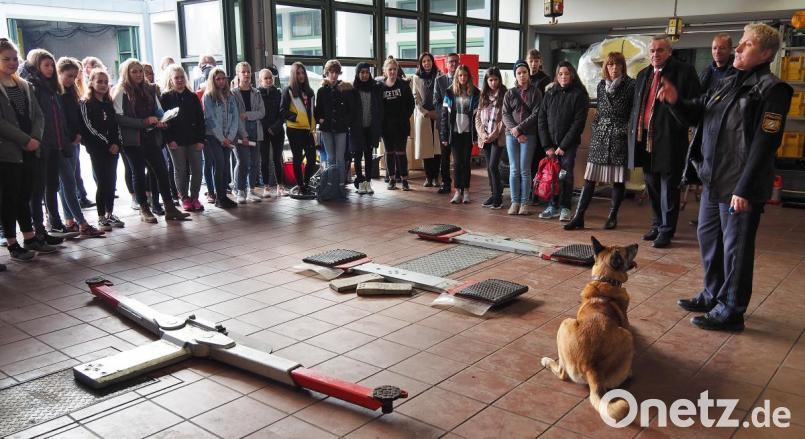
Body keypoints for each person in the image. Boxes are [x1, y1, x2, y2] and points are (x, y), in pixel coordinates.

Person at [662, 24, 793, 331]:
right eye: (741, 43)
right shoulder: (727, 82)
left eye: (746, 45)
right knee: (709, 239)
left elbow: (765, 144)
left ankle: (731, 310)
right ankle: (712, 295)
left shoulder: (772, 91)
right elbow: (697, 112)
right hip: (714, 181)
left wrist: (745, 188)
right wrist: (675, 101)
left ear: (765, 53)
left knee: (736, 249)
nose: (738, 48)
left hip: (740, 186)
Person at [628, 35, 701, 248]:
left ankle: (667, 230)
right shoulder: (643, 75)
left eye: (660, 50)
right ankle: (657, 224)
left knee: (669, 187)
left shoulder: (684, 72)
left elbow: (693, 106)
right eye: (652, 51)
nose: (655, 54)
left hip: (670, 139)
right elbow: (636, 108)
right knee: (651, 185)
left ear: (669, 52)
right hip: (645, 140)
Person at [114, 58, 190, 223]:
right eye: (134, 71)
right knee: (139, 174)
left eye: (140, 71)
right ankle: (144, 208)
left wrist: (162, 119)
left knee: (161, 172)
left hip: (151, 137)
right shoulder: (121, 91)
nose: (139, 74)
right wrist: (143, 122)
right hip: (133, 140)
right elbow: (119, 118)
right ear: (127, 73)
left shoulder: (150, 89)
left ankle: (170, 207)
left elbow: (158, 109)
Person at [565, 52, 635, 230]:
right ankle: (579, 216)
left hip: (619, 136)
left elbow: (633, 112)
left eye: (617, 65)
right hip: (601, 137)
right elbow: (599, 111)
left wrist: (625, 130)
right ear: (606, 67)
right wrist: (596, 126)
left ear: (622, 67)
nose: (614, 68)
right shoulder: (601, 86)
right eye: (610, 65)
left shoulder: (631, 85)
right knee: (590, 178)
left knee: (618, 180)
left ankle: (613, 216)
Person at [20, 49, 79, 243]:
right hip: (40, 144)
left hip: (55, 144)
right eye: (46, 65)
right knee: (38, 189)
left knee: (52, 185)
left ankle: (54, 222)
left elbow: (58, 118)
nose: (51, 68)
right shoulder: (32, 86)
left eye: (52, 65)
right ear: (36, 65)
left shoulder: (51, 88)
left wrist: (63, 141)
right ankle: (39, 229)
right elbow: (36, 118)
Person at [0, 37, 46, 260]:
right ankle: (12, 242)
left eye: (14, 58)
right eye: (6, 59)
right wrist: (24, 140)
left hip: (30, 148)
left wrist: (34, 138)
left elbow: (38, 115)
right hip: (8, 152)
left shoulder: (24, 85)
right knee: (9, 197)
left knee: (25, 195)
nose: (11, 62)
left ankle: (30, 237)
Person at [55, 57, 105, 237]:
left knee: (69, 181)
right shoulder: (56, 93)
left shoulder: (72, 91)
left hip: (73, 142)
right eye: (69, 76)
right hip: (62, 143)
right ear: (59, 73)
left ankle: (70, 220)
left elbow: (75, 117)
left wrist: (78, 135)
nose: (72, 80)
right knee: (68, 182)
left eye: (75, 76)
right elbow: (60, 120)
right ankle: (81, 222)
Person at [538, 61, 590, 222]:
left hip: (568, 145)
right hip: (551, 146)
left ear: (572, 75)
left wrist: (563, 146)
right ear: (556, 75)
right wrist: (547, 146)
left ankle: (565, 207)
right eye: (560, 74)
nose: (563, 77)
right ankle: (552, 206)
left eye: (566, 73)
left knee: (565, 176)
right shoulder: (550, 93)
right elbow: (542, 119)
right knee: (552, 176)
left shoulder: (579, 95)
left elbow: (578, 124)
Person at [80, 68, 125, 231]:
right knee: (102, 181)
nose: (103, 85)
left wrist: (117, 144)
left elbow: (115, 126)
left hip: (113, 149)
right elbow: (89, 127)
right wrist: (107, 144)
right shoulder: (86, 103)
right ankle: (100, 216)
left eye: (106, 82)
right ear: (91, 82)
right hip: (98, 149)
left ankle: (110, 213)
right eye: (99, 81)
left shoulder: (108, 104)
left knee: (111, 180)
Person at [160, 64, 206, 211]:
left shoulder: (192, 96)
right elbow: (163, 121)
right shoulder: (165, 97)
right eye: (176, 78)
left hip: (194, 139)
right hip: (175, 141)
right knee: (180, 170)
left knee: (198, 169)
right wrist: (169, 139)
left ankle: (195, 197)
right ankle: (184, 198)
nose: (179, 80)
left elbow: (200, 119)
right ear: (171, 80)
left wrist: (201, 139)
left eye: (181, 77)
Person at [502, 60, 541, 215]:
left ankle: (525, 202)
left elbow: (537, 113)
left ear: (528, 73)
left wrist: (520, 128)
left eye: (524, 72)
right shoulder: (510, 93)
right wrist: (514, 130)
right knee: (514, 169)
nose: (522, 75)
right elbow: (504, 114)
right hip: (511, 135)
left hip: (529, 135)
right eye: (519, 73)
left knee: (525, 170)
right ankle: (515, 201)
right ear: (515, 75)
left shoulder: (536, 92)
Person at [440, 64, 480, 204]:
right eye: (460, 75)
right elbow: (444, 116)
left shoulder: (475, 92)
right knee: (457, 163)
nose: (463, 78)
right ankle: (457, 191)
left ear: (469, 77)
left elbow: (478, 116)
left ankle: (467, 191)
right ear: (457, 77)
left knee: (466, 163)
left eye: (465, 75)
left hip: (468, 133)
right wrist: (444, 135)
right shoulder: (449, 92)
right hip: (455, 133)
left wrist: (477, 135)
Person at [202, 67, 239, 209]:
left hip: (228, 137)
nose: (222, 81)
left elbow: (235, 117)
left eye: (223, 78)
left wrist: (229, 136)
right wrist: (221, 138)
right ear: (213, 80)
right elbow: (210, 119)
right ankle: (219, 197)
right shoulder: (209, 96)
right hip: (213, 137)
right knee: (219, 165)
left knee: (225, 168)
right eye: (218, 79)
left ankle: (224, 196)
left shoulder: (230, 96)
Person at [280, 62, 317, 195]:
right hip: (294, 130)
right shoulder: (288, 90)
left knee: (312, 159)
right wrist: (296, 118)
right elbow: (282, 110)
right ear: (294, 75)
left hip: (308, 130)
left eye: (303, 73)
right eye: (298, 73)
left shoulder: (310, 91)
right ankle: (301, 186)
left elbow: (312, 111)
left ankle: (306, 183)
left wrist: (315, 122)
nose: (301, 75)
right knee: (297, 158)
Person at [231, 61, 265, 203]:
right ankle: (240, 190)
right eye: (243, 72)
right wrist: (243, 119)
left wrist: (247, 115)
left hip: (255, 131)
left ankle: (251, 190)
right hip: (239, 132)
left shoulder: (256, 92)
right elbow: (235, 115)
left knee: (255, 162)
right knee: (243, 161)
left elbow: (262, 112)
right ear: (238, 74)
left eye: (248, 72)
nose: (246, 74)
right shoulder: (233, 94)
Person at [315, 59, 353, 185]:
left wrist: (345, 122)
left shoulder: (344, 90)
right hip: (326, 128)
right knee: (330, 157)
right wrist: (320, 119)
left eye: (336, 72)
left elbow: (349, 109)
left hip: (341, 128)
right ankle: (331, 183)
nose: (333, 75)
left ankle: (341, 183)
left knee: (340, 158)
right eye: (331, 72)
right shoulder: (321, 91)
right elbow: (317, 109)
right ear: (326, 73)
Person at [379, 56, 414, 191]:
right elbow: (378, 106)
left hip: (401, 125)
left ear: (397, 70)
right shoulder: (380, 87)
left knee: (401, 153)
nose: (392, 72)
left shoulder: (404, 85)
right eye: (390, 70)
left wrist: (404, 117)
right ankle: (392, 179)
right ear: (385, 71)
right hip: (386, 126)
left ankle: (404, 180)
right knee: (389, 153)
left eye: (394, 69)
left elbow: (411, 104)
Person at [475, 66, 507, 209]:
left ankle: (498, 198)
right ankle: (494, 193)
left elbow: (504, 120)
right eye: (490, 80)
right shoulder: (483, 95)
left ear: (499, 80)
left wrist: (493, 135)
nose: (493, 83)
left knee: (494, 165)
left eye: (495, 79)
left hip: (497, 137)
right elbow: (478, 118)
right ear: (486, 81)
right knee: (489, 167)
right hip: (485, 137)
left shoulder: (504, 95)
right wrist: (483, 135)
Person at [350, 62, 382, 195]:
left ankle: (368, 182)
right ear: (358, 74)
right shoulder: (352, 89)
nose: (364, 75)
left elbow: (380, 107)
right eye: (362, 72)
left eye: (367, 72)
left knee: (368, 155)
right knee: (357, 157)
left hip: (370, 128)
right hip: (357, 128)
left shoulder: (375, 88)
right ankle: (361, 183)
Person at [412, 52, 442, 188]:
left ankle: (436, 177)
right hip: (424, 116)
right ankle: (428, 177)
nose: (426, 63)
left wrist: (438, 112)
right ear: (421, 63)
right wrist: (425, 112)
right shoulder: (416, 77)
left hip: (437, 115)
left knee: (437, 149)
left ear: (432, 61)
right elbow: (415, 97)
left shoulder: (440, 75)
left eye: (429, 60)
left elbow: (443, 95)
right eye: (424, 61)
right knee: (426, 149)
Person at [433, 53, 459, 194]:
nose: (453, 64)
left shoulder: (463, 79)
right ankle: (446, 183)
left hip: (460, 124)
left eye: (455, 62)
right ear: (446, 64)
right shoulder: (439, 80)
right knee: (445, 156)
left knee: (458, 157)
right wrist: (446, 112)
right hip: (444, 123)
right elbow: (436, 101)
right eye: (450, 62)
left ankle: (460, 185)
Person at [258, 68, 286, 197]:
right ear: (260, 80)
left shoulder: (279, 92)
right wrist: (267, 127)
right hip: (263, 131)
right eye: (266, 78)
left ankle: (280, 185)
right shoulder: (257, 94)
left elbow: (283, 113)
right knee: (264, 160)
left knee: (277, 158)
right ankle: (266, 187)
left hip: (278, 130)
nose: (269, 80)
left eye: (270, 77)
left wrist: (274, 127)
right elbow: (258, 113)